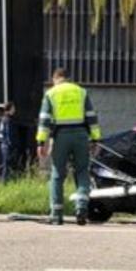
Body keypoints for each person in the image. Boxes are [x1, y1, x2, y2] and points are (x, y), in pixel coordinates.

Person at [35, 68, 101, 226]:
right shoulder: (81, 92)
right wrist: (95, 139)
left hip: (60, 137)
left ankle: (57, 214)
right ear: (69, 78)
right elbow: (91, 116)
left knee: (58, 174)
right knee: (82, 172)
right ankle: (82, 208)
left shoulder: (51, 93)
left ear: (55, 78)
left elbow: (44, 120)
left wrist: (40, 142)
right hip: (80, 136)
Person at [0, 102, 16, 183]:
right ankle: (3, 182)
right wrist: (11, 144)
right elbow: (8, 133)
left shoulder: (3, 119)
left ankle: (1, 173)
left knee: (6, 163)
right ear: (10, 109)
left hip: (3, 144)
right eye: (13, 108)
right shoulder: (8, 120)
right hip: (7, 145)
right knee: (6, 164)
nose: (14, 110)